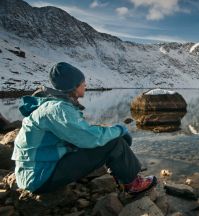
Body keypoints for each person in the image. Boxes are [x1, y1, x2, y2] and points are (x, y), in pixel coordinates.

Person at [12, 62, 157, 194]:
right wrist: (120, 130)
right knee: (114, 142)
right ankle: (132, 184)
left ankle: (122, 176)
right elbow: (89, 138)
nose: (85, 85)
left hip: (36, 171)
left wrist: (109, 132)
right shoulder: (58, 109)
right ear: (73, 87)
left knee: (105, 136)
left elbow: (79, 133)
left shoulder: (53, 106)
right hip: (39, 178)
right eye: (82, 83)